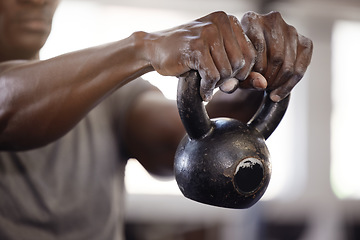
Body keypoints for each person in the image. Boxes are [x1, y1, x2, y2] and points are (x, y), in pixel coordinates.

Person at [0, 0, 313, 239]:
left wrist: (250, 83)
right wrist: (144, 48)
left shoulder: (108, 96)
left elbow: (180, 138)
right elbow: (7, 104)